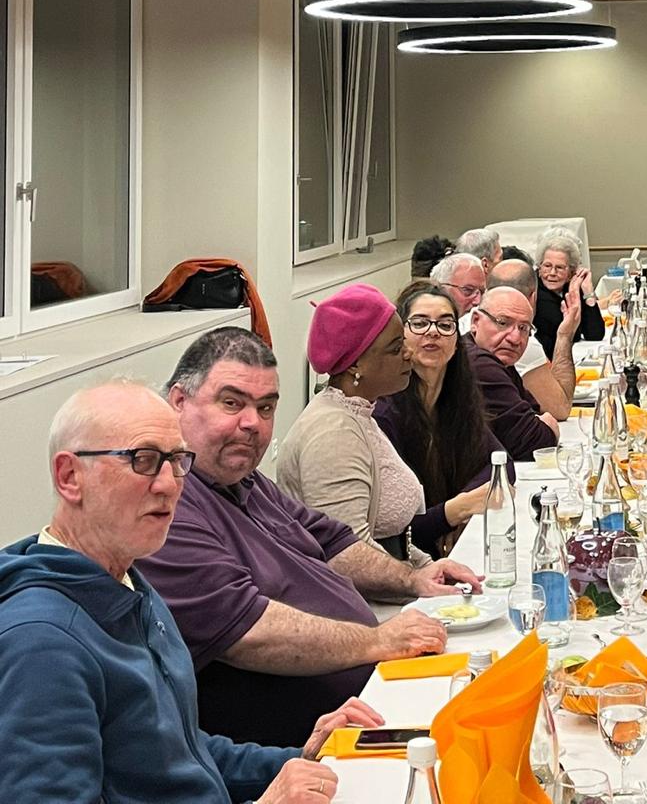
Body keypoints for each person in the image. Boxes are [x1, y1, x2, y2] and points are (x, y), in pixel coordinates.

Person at [0, 379, 379, 804]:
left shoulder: (130, 586)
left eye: (176, 460)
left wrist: (305, 758)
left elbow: (181, 756)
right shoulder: (41, 641)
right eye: (143, 460)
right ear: (70, 477)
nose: (169, 485)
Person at [139, 327, 480, 748]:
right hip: (306, 746)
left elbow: (333, 542)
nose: (252, 423)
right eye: (231, 403)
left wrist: (412, 580)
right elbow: (246, 630)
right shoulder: (168, 505)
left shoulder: (244, 481)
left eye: (266, 408)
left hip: (373, 694)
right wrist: (378, 640)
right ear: (179, 401)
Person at [278, 283, 442, 559]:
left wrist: (428, 566)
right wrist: (416, 578)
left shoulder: (359, 414)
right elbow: (347, 553)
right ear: (355, 364)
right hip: (357, 585)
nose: (408, 354)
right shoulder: (333, 434)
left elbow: (394, 543)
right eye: (395, 348)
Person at [373, 280, 505, 556]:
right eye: (420, 323)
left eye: (445, 325)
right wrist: (455, 511)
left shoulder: (457, 399)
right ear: (400, 337)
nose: (433, 332)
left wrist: (461, 512)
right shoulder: (384, 413)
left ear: (457, 341)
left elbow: (501, 463)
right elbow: (394, 531)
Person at [467, 287, 560, 459]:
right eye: (503, 323)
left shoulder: (499, 359)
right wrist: (546, 426)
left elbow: (533, 409)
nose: (515, 339)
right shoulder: (478, 363)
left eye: (523, 328)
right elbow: (536, 443)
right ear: (475, 321)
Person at [490, 258, 577, 420]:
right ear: (533, 297)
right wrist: (565, 336)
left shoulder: (463, 323)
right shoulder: (518, 341)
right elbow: (560, 409)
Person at [533, 228, 605, 352]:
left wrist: (588, 293)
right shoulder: (535, 290)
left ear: (571, 272)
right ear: (539, 268)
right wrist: (574, 293)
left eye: (560, 267)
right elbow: (572, 333)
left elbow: (595, 334)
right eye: (547, 266)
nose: (552, 273)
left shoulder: (571, 286)